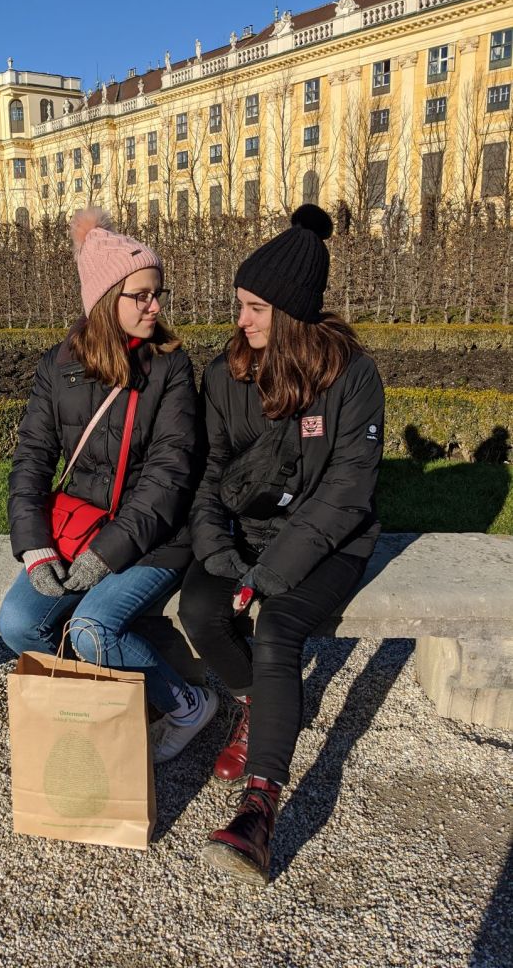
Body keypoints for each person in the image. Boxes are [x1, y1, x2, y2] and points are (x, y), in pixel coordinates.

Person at [178, 204, 385, 883]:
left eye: (255, 308)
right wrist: (216, 547)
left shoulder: (351, 377)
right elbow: (208, 470)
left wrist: (267, 577)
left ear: (291, 313)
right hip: (244, 530)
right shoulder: (224, 375)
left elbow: (347, 492)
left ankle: (258, 811)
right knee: (201, 611)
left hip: (329, 540)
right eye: (240, 304)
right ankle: (257, 704)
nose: (240, 320)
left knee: (277, 631)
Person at [0, 208, 218, 762]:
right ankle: (101, 704)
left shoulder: (170, 366)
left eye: (158, 294)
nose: (156, 306)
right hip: (77, 529)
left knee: (94, 629)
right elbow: (31, 461)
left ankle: (188, 704)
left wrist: (106, 554)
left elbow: (170, 475)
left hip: (158, 535)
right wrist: (34, 547)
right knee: (18, 622)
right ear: (104, 300)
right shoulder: (57, 367)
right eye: (142, 296)